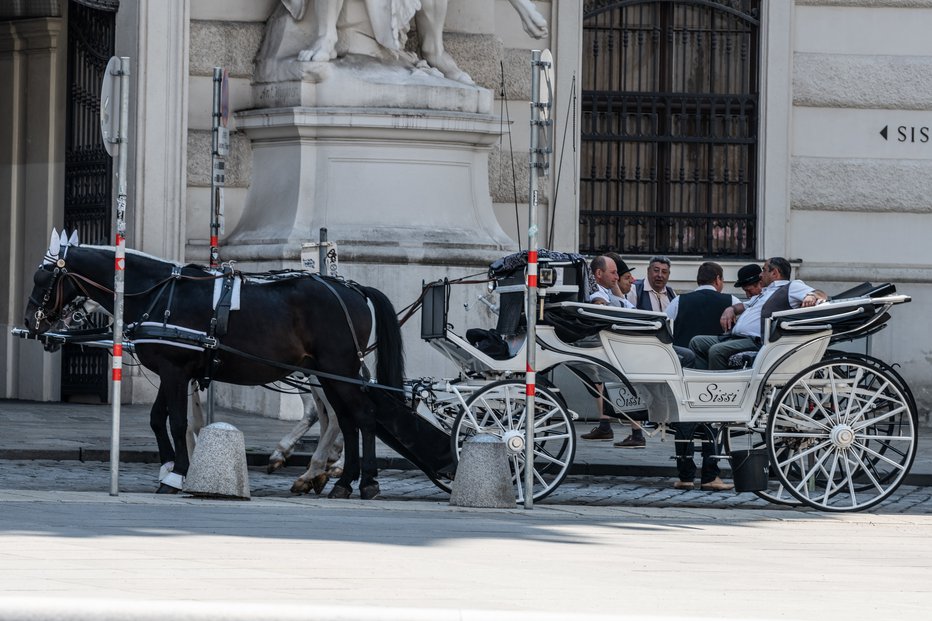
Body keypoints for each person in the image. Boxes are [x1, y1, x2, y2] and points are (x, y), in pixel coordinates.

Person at [665, 262, 738, 491]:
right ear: (717, 279)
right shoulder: (731, 302)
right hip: (715, 371)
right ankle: (710, 476)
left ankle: (685, 476)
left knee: (684, 423)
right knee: (712, 423)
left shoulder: (679, 301)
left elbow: (665, 332)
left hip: (685, 371)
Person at [689, 257, 828, 370]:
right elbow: (744, 305)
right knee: (697, 342)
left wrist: (811, 296)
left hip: (758, 341)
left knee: (716, 351)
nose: (761, 275)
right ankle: (703, 385)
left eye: (764, 270)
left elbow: (821, 293)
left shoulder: (791, 286)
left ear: (775, 273)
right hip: (736, 338)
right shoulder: (766, 292)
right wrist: (730, 309)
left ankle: (719, 392)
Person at [580, 255, 636, 441]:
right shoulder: (597, 293)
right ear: (598, 273)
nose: (616, 277)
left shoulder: (607, 291)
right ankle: (632, 431)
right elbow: (599, 304)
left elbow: (625, 306)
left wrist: (613, 285)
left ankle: (615, 428)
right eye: (613, 273)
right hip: (616, 343)